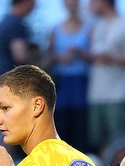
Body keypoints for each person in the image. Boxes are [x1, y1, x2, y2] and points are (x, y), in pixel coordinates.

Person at [87, 0, 125, 156]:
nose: (89, 5)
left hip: (119, 93)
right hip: (97, 94)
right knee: (101, 142)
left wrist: (111, 59)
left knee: (120, 143)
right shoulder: (97, 26)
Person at [48, 0, 92, 154]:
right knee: (62, 123)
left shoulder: (89, 27)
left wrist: (80, 54)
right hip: (62, 83)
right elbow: (50, 54)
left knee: (81, 125)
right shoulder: (56, 29)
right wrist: (59, 57)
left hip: (81, 82)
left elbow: (93, 56)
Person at [0, 0, 37, 81]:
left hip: (0, 77)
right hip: (11, 81)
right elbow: (21, 56)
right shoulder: (15, 25)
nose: (34, 7)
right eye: (32, 3)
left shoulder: (5, 21)